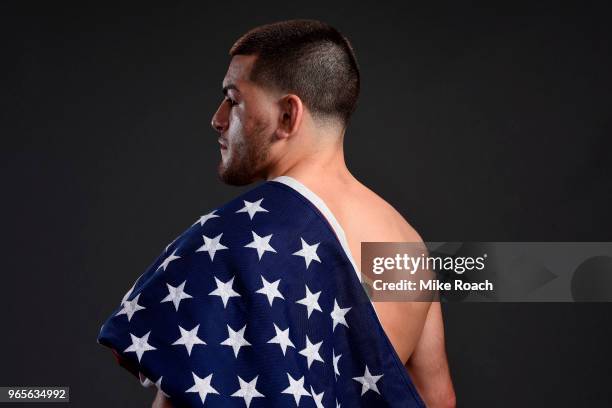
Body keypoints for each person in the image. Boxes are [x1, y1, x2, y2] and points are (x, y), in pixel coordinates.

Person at [151, 19, 455, 407]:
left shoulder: (226, 241)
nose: (218, 118)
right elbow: (438, 399)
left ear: (287, 116)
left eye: (234, 99)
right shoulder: (405, 245)